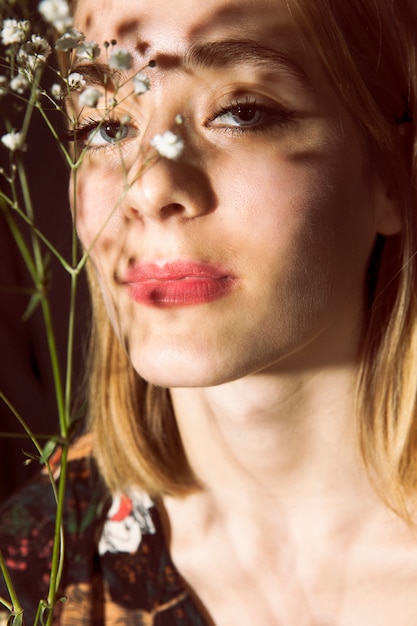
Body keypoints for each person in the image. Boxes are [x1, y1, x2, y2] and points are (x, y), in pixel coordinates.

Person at [1, 0, 417, 623]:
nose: (150, 186)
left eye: (241, 112)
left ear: (393, 169)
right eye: (106, 126)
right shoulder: (35, 572)